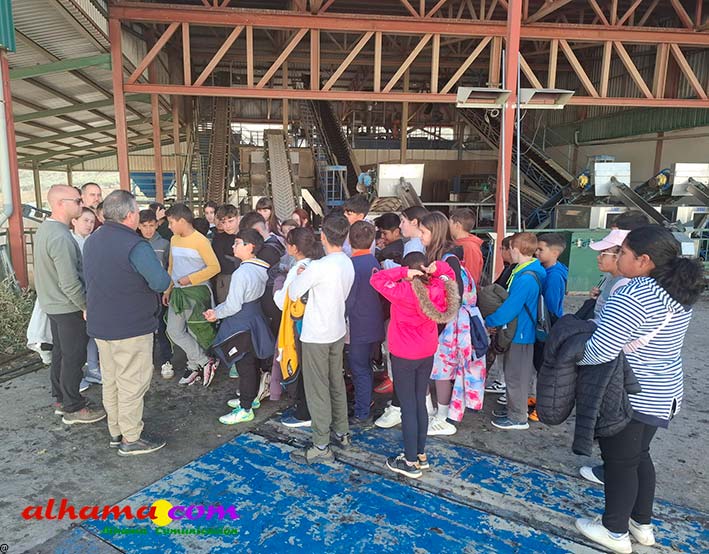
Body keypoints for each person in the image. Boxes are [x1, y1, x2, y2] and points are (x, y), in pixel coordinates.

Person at [575, 225, 704, 554]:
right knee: (638, 456)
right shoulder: (676, 291)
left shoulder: (634, 294)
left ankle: (614, 530)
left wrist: (572, 357)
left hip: (631, 393)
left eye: (623, 253)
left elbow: (601, 350)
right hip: (664, 391)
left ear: (644, 260)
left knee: (619, 462)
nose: (619, 258)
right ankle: (641, 524)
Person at [84, 190, 171, 456]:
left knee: (111, 380)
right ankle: (131, 438)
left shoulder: (92, 240)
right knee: (132, 382)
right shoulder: (135, 245)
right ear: (131, 215)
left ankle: (116, 431)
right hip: (131, 326)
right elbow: (160, 282)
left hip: (102, 325)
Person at [371, 252, 458, 478]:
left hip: (404, 354)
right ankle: (420, 454)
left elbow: (377, 279)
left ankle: (409, 462)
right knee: (419, 402)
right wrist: (437, 268)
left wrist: (403, 272)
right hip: (426, 352)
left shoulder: (404, 291)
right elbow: (450, 274)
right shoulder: (439, 287)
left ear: (409, 271)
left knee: (408, 407)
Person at [34, 185, 106, 425]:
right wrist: (86, 306)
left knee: (61, 354)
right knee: (74, 357)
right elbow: (69, 282)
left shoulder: (46, 229)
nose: (81, 204)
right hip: (67, 306)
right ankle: (73, 407)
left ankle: (61, 399)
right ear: (60, 204)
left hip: (53, 305)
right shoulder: (61, 237)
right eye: (77, 200)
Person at [289, 213, 355, 464]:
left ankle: (320, 444)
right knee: (335, 381)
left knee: (317, 389)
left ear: (323, 236)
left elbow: (294, 293)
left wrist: (300, 273)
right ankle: (342, 431)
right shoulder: (346, 262)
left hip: (316, 333)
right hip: (337, 329)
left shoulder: (318, 267)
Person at [422, 211, 485, 435]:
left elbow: (453, 295)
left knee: (443, 369)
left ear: (435, 233)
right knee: (440, 368)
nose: (420, 236)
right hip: (448, 321)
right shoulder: (447, 256)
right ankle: (438, 413)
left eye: (423, 231)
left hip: (452, 324)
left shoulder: (448, 260)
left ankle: (443, 416)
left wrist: (437, 321)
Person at [205, 229, 275, 424]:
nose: (233, 246)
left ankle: (245, 408)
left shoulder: (241, 272)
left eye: (237, 243)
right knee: (252, 363)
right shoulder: (261, 267)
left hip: (241, 321)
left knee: (245, 366)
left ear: (250, 246)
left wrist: (215, 313)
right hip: (255, 317)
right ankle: (250, 399)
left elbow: (233, 305)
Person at [485, 232, 546, 430]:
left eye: (510, 248)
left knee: (516, 377)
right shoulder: (528, 271)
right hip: (520, 331)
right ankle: (515, 409)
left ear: (515, 249)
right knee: (515, 374)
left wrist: (490, 321)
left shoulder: (525, 278)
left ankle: (518, 417)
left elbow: (511, 308)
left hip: (521, 333)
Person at [163, 203, 220, 386]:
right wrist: (168, 289)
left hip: (196, 292)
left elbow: (215, 267)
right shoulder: (174, 239)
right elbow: (171, 267)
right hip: (178, 292)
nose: (169, 226)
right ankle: (204, 361)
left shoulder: (201, 241)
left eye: (171, 222)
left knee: (195, 331)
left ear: (182, 221)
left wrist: (191, 279)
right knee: (174, 330)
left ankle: (194, 366)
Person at [275, 228, 323, 428]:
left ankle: (304, 413)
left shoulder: (298, 269)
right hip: (320, 325)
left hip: (300, 327)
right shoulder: (320, 264)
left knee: (302, 369)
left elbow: (282, 301)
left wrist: (278, 286)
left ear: (294, 248)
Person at [345, 221, 385, 426]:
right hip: (374, 323)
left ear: (349, 239)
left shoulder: (351, 266)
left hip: (357, 325)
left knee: (359, 368)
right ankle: (365, 401)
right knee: (366, 367)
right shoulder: (373, 261)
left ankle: (362, 412)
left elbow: (348, 300)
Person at [70, 208, 103, 392]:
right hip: (75, 297)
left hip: (92, 294)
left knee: (92, 335)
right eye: (85, 220)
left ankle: (93, 369)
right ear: (74, 221)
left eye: (92, 221)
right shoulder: (70, 241)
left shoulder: (92, 241)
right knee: (75, 341)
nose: (89, 225)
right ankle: (75, 377)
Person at [138, 209, 173, 378]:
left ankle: (167, 360)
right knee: (144, 330)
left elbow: (169, 268)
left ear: (157, 224)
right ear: (138, 226)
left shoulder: (165, 244)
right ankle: (147, 361)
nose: (148, 229)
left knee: (162, 326)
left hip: (159, 292)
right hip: (141, 293)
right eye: (144, 226)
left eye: (151, 225)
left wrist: (167, 290)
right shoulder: (135, 244)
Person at [589, 229, 631, 324]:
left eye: (603, 253)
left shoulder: (625, 286)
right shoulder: (608, 276)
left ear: (619, 255)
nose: (598, 257)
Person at [211, 204, 241, 305]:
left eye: (230, 221)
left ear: (238, 218)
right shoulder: (218, 240)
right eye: (223, 222)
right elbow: (220, 263)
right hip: (225, 281)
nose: (227, 225)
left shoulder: (246, 235)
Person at [535, 233, 568, 322]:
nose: (536, 252)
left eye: (540, 250)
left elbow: (551, 308)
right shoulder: (545, 269)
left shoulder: (554, 277)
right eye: (536, 249)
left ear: (554, 253)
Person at [449, 207, 484, 287]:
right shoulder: (458, 243)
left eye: (450, 223)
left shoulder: (470, 247)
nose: (448, 226)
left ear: (457, 225)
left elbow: (471, 276)